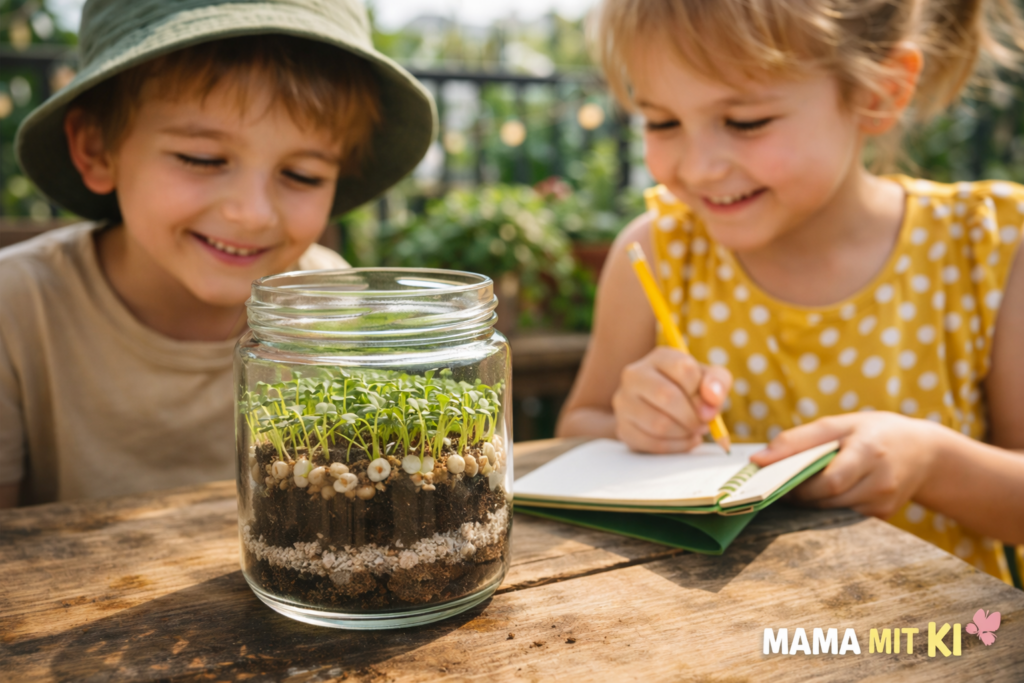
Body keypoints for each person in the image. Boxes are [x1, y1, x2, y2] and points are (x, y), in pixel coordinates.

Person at [558, 0, 1024, 584]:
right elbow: (579, 427)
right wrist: (634, 423)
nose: (698, 168)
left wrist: (930, 462)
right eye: (662, 122)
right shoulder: (656, 253)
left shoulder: (989, 251)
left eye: (746, 121)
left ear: (879, 91)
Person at [0, 0, 436, 507]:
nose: (252, 214)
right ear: (97, 149)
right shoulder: (16, 311)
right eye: (202, 158)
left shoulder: (328, 300)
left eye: (302, 175)